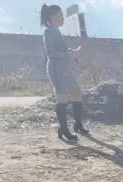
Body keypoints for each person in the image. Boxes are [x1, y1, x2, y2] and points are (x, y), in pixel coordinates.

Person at [40, 4, 88, 141]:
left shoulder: (57, 32)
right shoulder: (48, 32)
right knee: (62, 97)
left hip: (65, 69)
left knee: (77, 94)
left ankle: (78, 124)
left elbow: (62, 52)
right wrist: (69, 53)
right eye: (61, 15)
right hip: (56, 69)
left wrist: (72, 53)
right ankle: (63, 129)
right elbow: (51, 52)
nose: (63, 18)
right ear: (52, 17)